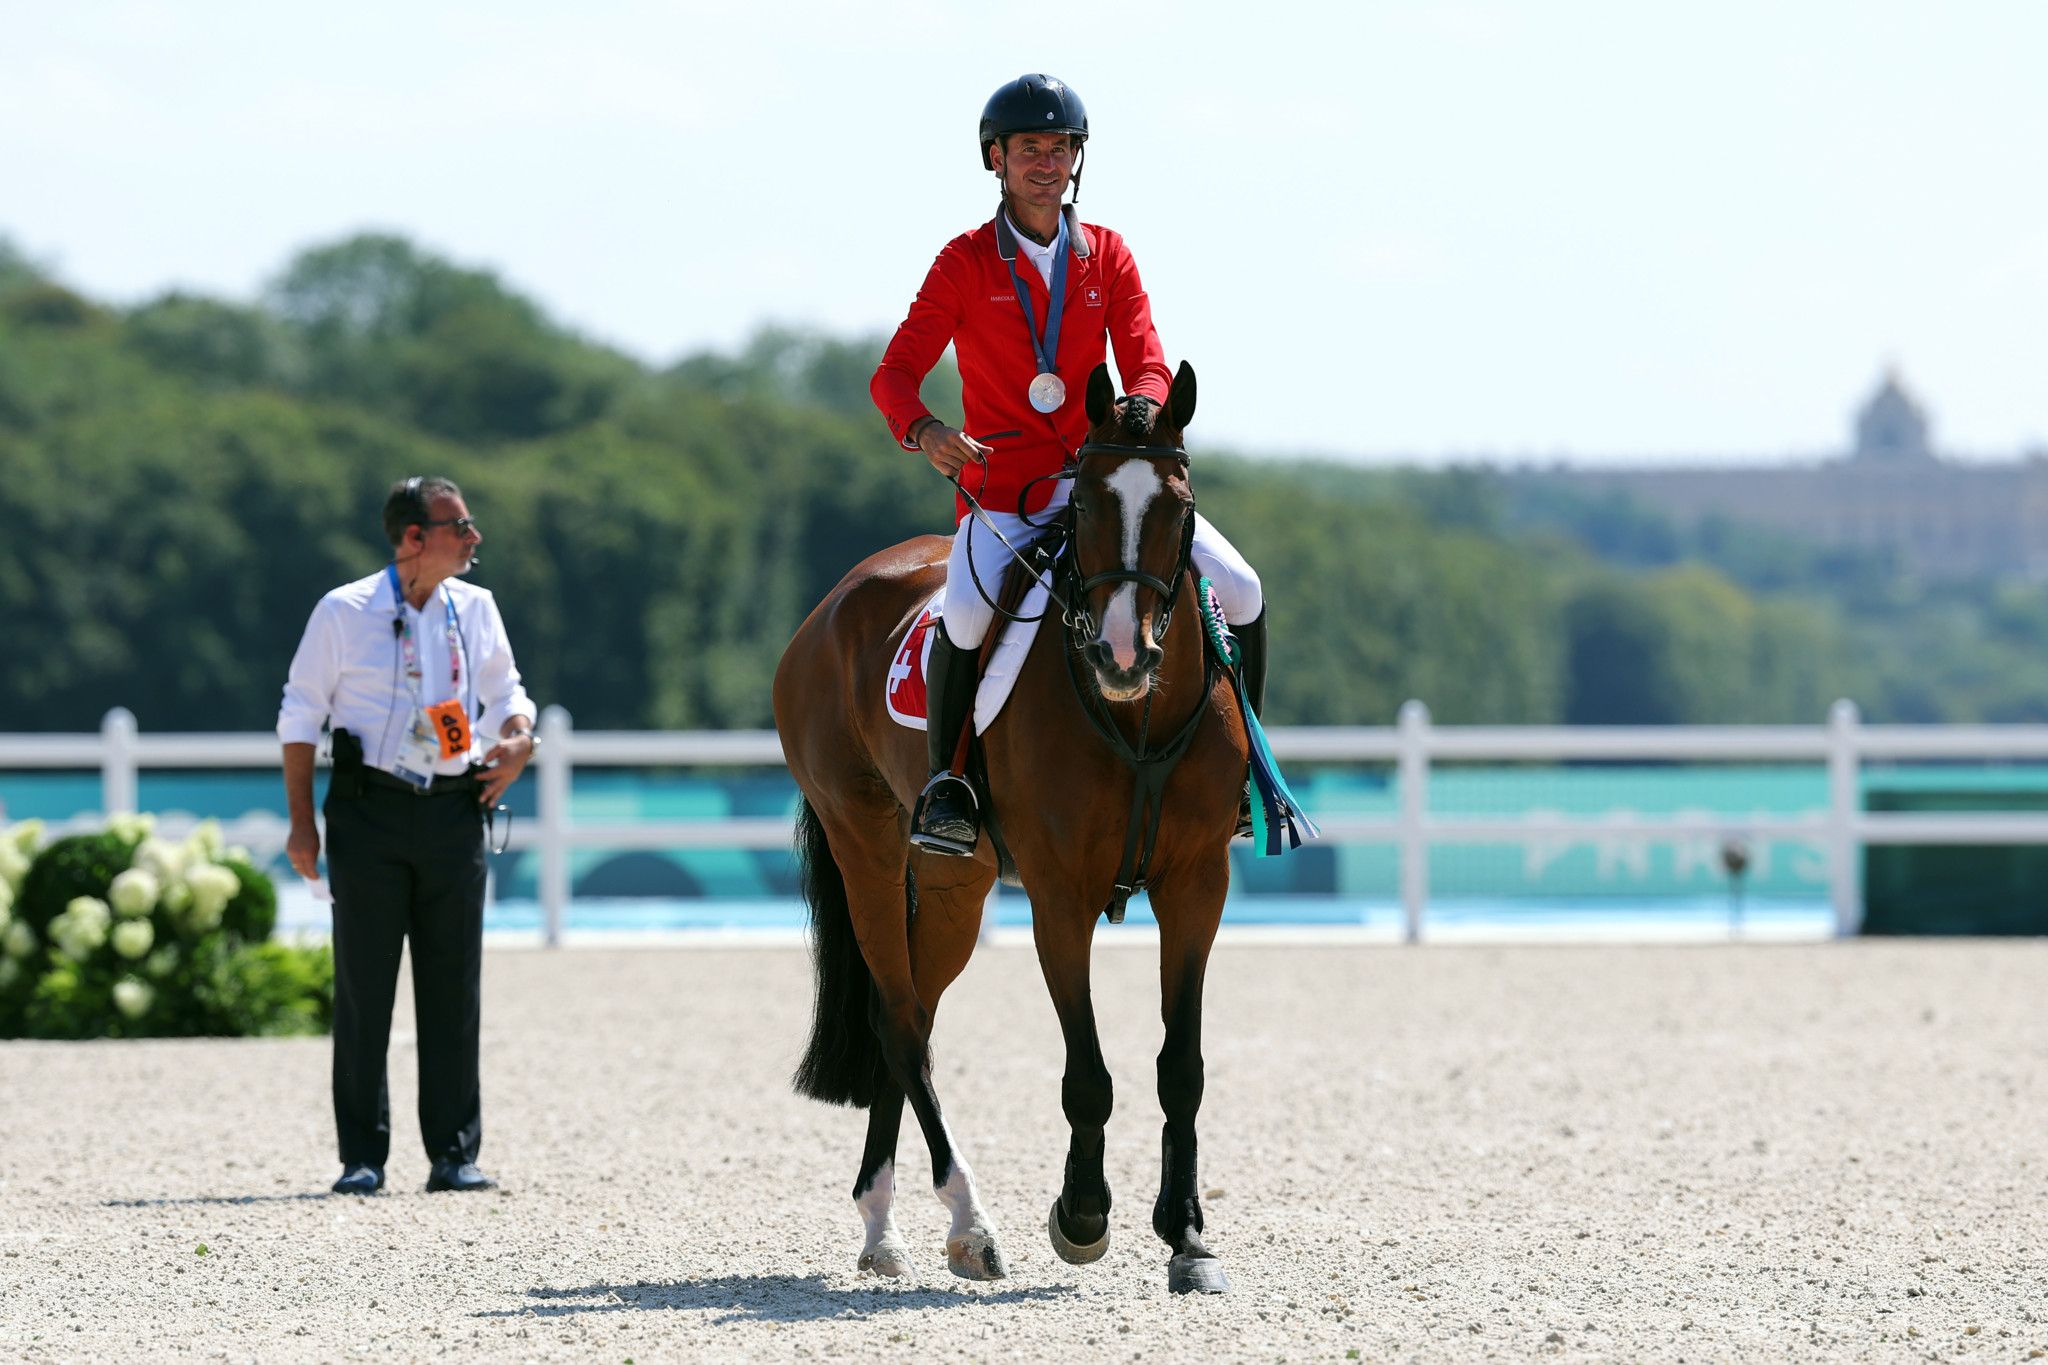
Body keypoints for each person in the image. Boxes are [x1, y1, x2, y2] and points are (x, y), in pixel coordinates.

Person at [870, 73, 1267, 856]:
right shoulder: (963, 263)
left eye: (1060, 149)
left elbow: (1149, 362)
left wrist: (1141, 415)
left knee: (1244, 588)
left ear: (1076, 160)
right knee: (968, 616)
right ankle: (949, 785)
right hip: (1006, 491)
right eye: (1029, 150)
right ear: (997, 159)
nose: (1045, 163)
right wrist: (923, 429)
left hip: (1104, 488)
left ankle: (1245, 770)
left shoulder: (1108, 257)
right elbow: (893, 376)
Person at [277, 476, 538, 1196]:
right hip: (367, 810)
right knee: (364, 986)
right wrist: (302, 822)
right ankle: (362, 1156)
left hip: (456, 807)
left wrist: (520, 740)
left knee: (454, 983)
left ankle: (454, 1154)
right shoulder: (345, 610)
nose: (474, 536)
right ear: (413, 537)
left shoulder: (474, 607)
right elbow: (300, 714)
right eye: (459, 525)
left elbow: (507, 692)